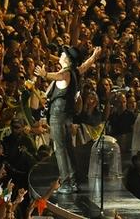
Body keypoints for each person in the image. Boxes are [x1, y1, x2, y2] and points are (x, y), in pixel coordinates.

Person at [34, 45, 102, 194]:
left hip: (58, 117)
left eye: (63, 54)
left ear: (68, 59)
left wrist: (45, 74)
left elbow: (58, 76)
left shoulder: (65, 73)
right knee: (68, 148)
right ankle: (73, 180)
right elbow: (85, 66)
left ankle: (66, 183)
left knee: (60, 150)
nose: (60, 55)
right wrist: (94, 56)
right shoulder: (74, 72)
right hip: (66, 116)